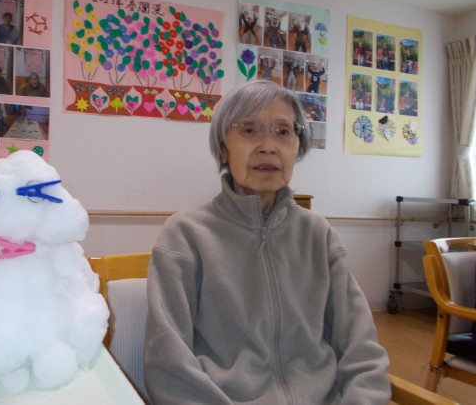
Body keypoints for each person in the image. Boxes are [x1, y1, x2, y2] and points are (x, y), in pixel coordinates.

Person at [144, 80, 391, 404]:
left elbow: (362, 353)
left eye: (283, 131)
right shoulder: (185, 236)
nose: (268, 146)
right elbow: (168, 364)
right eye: (249, 130)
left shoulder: (319, 235)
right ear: (223, 147)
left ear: (298, 146)